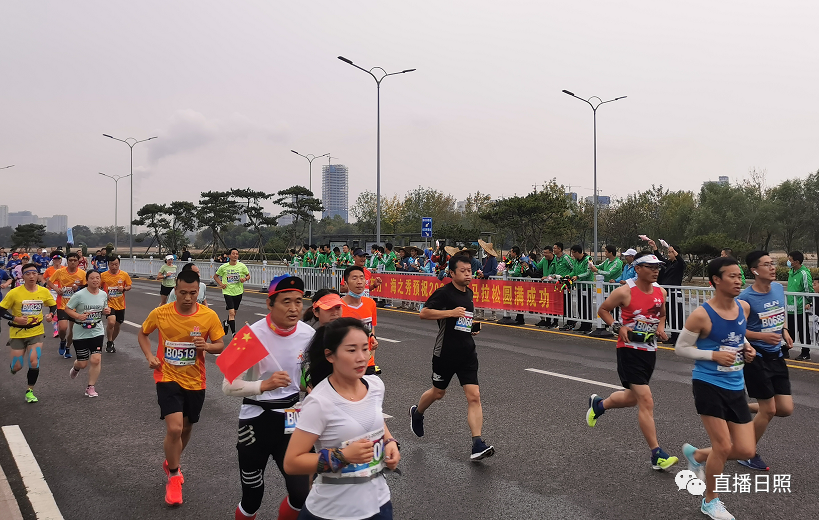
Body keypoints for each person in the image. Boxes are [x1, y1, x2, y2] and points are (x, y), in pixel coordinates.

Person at [283, 318, 400, 520]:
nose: (362, 357)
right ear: (330, 355)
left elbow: (374, 418)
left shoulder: (375, 385)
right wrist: (343, 456)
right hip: (332, 512)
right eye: (352, 350)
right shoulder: (319, 402)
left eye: (365, 348)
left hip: (379, 506)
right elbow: (292, 463)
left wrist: (389, 442)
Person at [221, 275, 314, 520]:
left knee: (302, 494)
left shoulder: (309, 334)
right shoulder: (250, 335)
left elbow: (307, 376)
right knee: (252, 497)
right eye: (286, 302)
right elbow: (227, 387)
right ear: (270, 304)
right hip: (256, 421)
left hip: (293, 420)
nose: (294, 308)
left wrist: (311, 386)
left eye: (298, 301)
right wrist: (264, 385)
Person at [676, 256, 757, 520]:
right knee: (722, 446)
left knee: (746, 450)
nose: (738, 280)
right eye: (732, 276)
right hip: (708, 383)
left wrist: (746, 347)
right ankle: (710, 501)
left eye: (739, 275)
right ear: (716, 280)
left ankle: (697, 455)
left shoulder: (743, 308)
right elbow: (681, 348)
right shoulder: (702, 314)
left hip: (735, 384)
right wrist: (712, 356)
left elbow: (738, 333)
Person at [137, 268, 226, 506]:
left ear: (199, 291)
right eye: (183, 292)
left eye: (193, 293)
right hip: (166, 376)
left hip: (196, 380)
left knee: (187, 427)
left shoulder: (208, 316)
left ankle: (171, 460)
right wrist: (149, 356)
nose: (187, 298)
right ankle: (174, 475)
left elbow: (220, 344)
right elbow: (143, 334)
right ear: (175, 290)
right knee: (175, 428)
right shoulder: (160, 313)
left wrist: (206, 347)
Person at [589, 252, 679, 471]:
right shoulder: (625, 292)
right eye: (650, 266)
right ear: (638, 268)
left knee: (632, 399)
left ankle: (599, 405)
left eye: (658, 266)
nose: (656, 270)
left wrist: (660, 327)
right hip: (628, 350)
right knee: (646, 400)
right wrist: (618, 327)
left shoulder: (661, 291)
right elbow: (603, 310)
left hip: (649, 350)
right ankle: (656, 454)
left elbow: (661, 313)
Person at [408, 254, 494, 461]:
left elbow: (463, 320)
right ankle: (417, 413)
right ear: (452, 273)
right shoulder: (444, 293)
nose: (467, 274)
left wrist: (471, 328)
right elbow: (424, 313)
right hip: (445, 353)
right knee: (438, 393)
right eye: (463, 271)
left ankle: (477, 444)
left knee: (474, 396)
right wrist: (450, 313)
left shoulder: (470, 293)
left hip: (467, 353)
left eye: (469, 271)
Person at [735, 251, 793, 472]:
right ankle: (747, 452)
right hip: (755, 357)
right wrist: (761, 337)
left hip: (776, 356)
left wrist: (784, 330)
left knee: (785, 409)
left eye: (773, 263)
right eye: (767, 264)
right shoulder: (745, 299)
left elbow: (779, 314)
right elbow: (737, 330)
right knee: (768, 410)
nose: (772, 267)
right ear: (754, 270)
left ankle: (740, 406)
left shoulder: (778, 288)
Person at [0, 263, 57, 403]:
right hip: (18, 333)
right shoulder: (14, 293)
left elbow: (53, 305)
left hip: (36, 332)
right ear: (23, 276)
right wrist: (15, 318)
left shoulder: (43, 291)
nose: (32, 276)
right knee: (17, 366)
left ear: (38, 275)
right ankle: (14, 368)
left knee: (34, 361)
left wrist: (51, 315)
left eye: (34, 273)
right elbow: (1, 310)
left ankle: (30, 391)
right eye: (28, 274)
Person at [64, 270, 110, 397]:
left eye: (97, 278)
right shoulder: (79, 295)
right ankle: (76, 367)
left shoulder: (103, 294)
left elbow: (105, 308)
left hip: (97, 330)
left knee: (96, 359)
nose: (95, 280)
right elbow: (67, 309)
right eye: (92, 278)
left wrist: (107, 311)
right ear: (87, 280)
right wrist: (78, 315)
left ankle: (90, 387)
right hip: (81, 331)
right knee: (83, 363)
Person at [340, 266, 381, 375]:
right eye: (354, 278)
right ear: (346, 283)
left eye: (362, 278)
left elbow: (371, 330)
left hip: (367, 363)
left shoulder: (370, 303)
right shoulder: (338, 307)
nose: (359, 282)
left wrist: (371, 357)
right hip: (348, 364)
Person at [47, 252, 86, 359]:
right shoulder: (60, 272)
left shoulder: (82, 273)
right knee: (63, 328)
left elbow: (86, 286)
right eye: (70, 260)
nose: (73, 262)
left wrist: (77, 288)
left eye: (75, 260)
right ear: (67, 261)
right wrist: (56, 289)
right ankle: (63, 341)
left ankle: (68, 347)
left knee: (73, 330)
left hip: (76, 306)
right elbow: (49, 282)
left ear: (78, 262)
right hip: (62, 304)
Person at [649, 240, 686, 343]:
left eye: (670, 252)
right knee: (669, 314)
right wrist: (655, 248)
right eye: (668, 252)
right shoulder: (669, 263)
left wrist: (675, 253)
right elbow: (660, 259)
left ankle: (678, 337)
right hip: (666, 293)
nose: (668, 254)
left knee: (676, 315)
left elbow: (682, 262)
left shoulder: (679, 265)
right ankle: (673, 337)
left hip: (674, 293)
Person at [214, 248, 251, 337]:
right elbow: (215, 276)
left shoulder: (242, 266)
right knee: (231, 313)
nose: (235, 255)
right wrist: (221, 284)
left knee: (234, 313)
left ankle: (226, 322)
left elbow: (248, 275)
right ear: (229, 256)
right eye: (233, 254)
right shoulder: (224, 267)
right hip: (228, 291)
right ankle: (234, 334)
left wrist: (244, 279)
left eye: (237, 254)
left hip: (238, 291)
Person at [101, 256, 133, 352]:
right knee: (111, 322)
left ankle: (110, 342)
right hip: (109, 303)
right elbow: (97, 287)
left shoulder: (124, 275)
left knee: (118, 325)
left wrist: (123, 289)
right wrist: (105, 295)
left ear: (119, 264)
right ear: (108, 265)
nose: (114, 267)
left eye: (116, 264)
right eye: (112, 264)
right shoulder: (103, 275)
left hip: (120, 304)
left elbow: (129, 286)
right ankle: (110, 341)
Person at [785, 250, 812, 360]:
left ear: (796, 262)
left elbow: (808, 289)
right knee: (789, 330)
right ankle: (785, 350)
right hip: (790, 307)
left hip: (800, 307)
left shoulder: (804, 273)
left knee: (803, 330)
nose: (788, 261)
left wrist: (808, 302)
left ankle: (806, 352)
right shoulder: (791, 272)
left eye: (790, 260)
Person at [42, 254, 63, 337]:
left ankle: (61, 328)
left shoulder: (64, 269)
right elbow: (43, 277)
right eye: (55, 259)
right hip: (52, 291)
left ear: (61, 261)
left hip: (62, 291)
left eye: (59, 259)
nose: (57, 261)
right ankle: (55, 331)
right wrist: (45, 284)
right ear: (53, 260)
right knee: (55, 310)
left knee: (61, 311)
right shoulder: (49, 270)